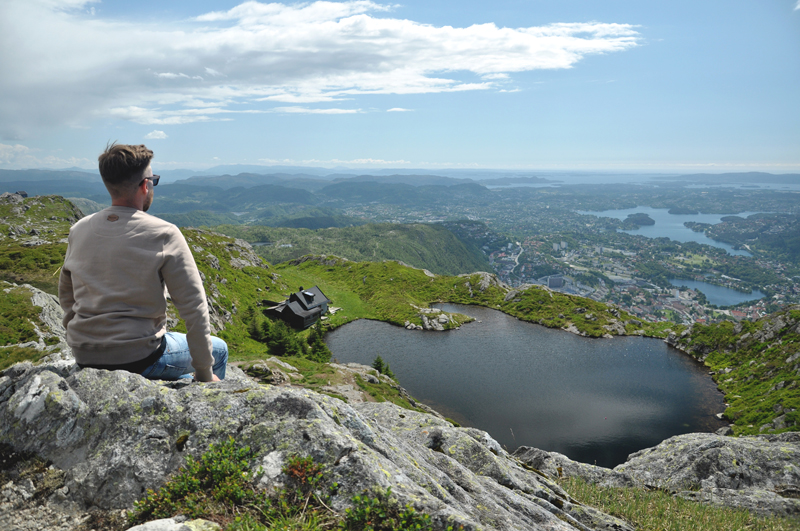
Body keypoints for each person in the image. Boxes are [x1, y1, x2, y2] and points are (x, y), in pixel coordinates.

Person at [58, 143, 227, 382]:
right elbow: (194, 307)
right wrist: (204, 374)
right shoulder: (164, 233)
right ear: (145, 186)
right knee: (219, 350)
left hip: (84, 353)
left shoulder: (79, 230)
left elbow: (67, 295)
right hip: (140, 355)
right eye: (153, 180)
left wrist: (82, 339)